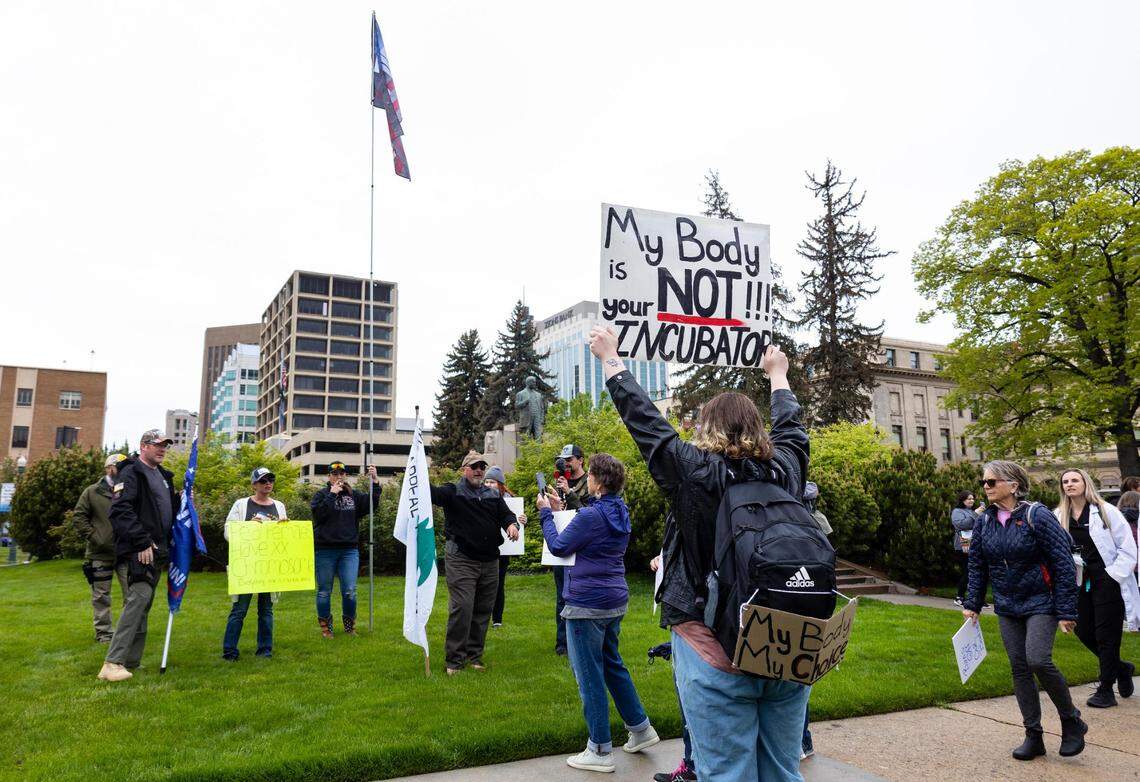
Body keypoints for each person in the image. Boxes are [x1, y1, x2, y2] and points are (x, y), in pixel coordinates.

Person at [590, 324, 809, 782]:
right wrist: (778, 375)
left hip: (712, 643)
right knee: (783, 772)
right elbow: (793, 429)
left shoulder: (693, 472)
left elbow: (647, 425)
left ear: (706, 427)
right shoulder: (786, 469)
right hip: (788, 641)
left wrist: (612, 359)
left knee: (725, 773)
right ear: (756, 427)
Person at [538, 452, 659, 773]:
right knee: (612, 665)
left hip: (585, 605)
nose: (586, 478)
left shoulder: (592, 516)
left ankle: (600, 750)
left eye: (590, 474)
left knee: (589, 676)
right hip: (614, 601)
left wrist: (546, 517)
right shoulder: (620, 511)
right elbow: (589, 532)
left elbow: (560, 546)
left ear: (599, 481)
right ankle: (641, 729)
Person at [963, 460, 1085, 760]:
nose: (986, 487)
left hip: (1040, 601)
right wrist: (973, 604)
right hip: (1007, 605)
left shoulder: (1037, 516)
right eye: (984, 483)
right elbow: (977, 564)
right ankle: (1034, 735)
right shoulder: (985, 521)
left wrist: (1067, 610)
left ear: (1013, 485)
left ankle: (1071, 720)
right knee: (1019, 667)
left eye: (992, 482)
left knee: (1038, 660)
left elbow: (1063, 563)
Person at [430, 451, 524, 674]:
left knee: (483, 610)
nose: (479, 470)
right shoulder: (452, 491)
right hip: (462, 558)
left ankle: (474, 656)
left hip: (490, 560)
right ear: (465, 470)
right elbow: (433, 495)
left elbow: (507, 515)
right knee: (462, 607)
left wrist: (512, 525)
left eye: (482, 466)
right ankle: (454, 660)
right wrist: (420, 475)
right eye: (474, 467)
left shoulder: (492, 494)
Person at [97, 430, 179, 682]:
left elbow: (162, 509)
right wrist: (142, 541)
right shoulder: (131, 472)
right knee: (137, 600)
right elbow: (120, 510)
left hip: (158, 550)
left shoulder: (163, 476)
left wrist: (181, 500)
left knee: (144, 604)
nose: (162, 449)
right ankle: (112, 663)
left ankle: (131, 661)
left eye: (165, 445)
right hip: (139, 549)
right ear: (143, 446)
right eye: (157, 445)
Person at [1055, 468, 1139, 708]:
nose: (1070, 484)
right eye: (1066, 481)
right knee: (1083, 630)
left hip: (1106, 579)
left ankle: (1105, 688)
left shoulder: (1106, 511)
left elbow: (1127, 546)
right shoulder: (1059, 515)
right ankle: (1122, 668)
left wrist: (1114, 575)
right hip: (1078, 579)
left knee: (1106, 634)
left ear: (1085, 483)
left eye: (1075, 480)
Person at [222, 467, 288, 660]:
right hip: (246, 565)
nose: (268, 483)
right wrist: (249, 527)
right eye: (263, 480)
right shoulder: (241, 505)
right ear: (254, 484)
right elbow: (228, 532)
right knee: (239, 609)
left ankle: (265, 651)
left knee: (266, 610)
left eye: (270, 479)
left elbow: (283, 537)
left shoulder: (279, 505)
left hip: (269, 565)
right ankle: (229, 652)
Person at [310, 461, 381, 638]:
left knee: (349, 591)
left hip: (349, 550)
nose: (339, 477)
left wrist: (375, 481)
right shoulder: (321, 495)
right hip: (325, 550)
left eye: (342, 473)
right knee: (324, 591)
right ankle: (326, 628)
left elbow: (371, 504)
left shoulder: (353, 495)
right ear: (329, 477)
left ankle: (350, 626)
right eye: (335, 474)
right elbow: (319, 515)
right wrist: (332, 495)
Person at [649, 555, 696, 782]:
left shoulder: (697, 521)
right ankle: (692, 763)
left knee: (694, 708)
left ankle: (693, 766)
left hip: (698, 629)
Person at [73, 453, 129, 642]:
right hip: (100, 553)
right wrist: (95, 537)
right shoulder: (92, 492)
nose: (122, 471)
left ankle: (125, 633)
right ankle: (104, 634)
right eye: (119, 467)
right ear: (108, 469)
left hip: (125, 552)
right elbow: (79, 517)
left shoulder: (128, 490)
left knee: (131, 594)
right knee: (101, 596)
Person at [552, 443, 590, 655]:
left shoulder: (590, 483)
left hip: (583, 546)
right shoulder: (559, 483)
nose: (566, 462)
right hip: (564, 542)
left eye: (570, 459)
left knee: (580, 594)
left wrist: (570, 493)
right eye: (563, 459)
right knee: (561, 595)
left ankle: (581, 640)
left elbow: (589, 514)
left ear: (580, 460)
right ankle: (562, 644)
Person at [485, 465, 517, 628]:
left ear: (500, 484)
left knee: (498, 583)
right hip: (486, 548)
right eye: (487, 482)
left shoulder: (510, 501)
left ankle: (497, 618)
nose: (489, 485)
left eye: (492, 482)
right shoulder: (480, 499)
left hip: (504, 551)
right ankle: (483, 615)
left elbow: (513, 520)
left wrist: (520, 521)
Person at [951, 490, 978, 606]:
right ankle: (960, 597)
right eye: (969, 499)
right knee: (967, 571)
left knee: (977, 572)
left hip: (976, 544)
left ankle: (976, 598)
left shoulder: (972, 511)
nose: (971, 501)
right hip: (964, 544)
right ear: (963, 500)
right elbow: (962, 525)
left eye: (973, 499)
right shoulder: (957, 511)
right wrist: (976, 514)